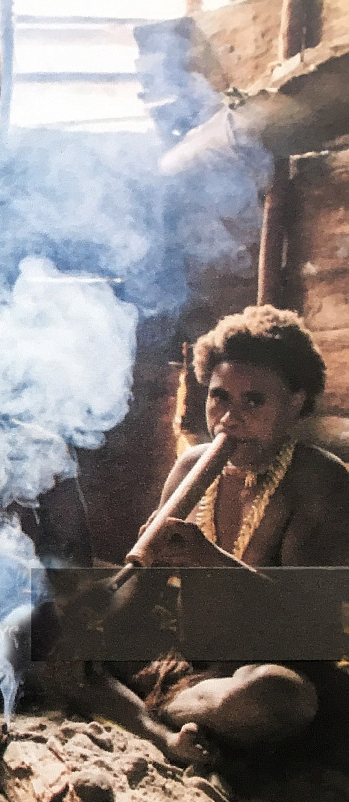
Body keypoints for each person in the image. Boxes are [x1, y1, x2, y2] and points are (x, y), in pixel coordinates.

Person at [57, 305, 349, 765]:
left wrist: (208, 558)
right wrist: (96, 624)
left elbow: (312, 629)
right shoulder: (191, 466)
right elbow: (140, 600)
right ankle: (167, 733)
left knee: (276, 699)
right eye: (219, 398)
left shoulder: (320, 481)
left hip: (269, 670)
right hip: (189, 663)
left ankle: (156, 713)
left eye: (254, 401)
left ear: (295, 402)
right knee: (43, 632)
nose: (229, 418)